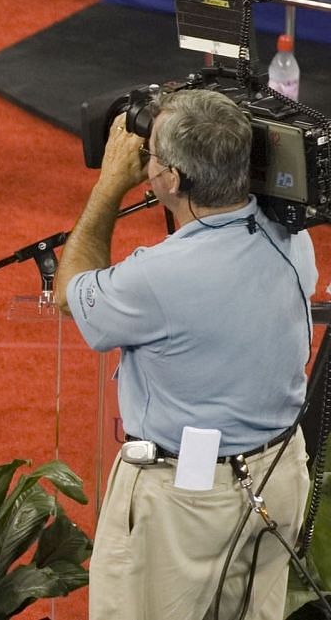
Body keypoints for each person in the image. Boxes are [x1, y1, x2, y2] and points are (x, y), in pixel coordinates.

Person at [57, 92, 315, 620]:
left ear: (170, 180)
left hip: (187, 502)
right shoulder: (295, 239)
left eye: (151, 155)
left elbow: (70, 292)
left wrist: (108, 185)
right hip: (277, 475)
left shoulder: (156, 278)